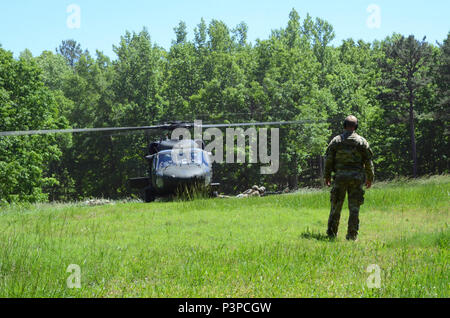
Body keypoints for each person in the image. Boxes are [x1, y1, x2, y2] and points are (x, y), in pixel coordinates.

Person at [324, 115, 374, 241]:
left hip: (340, 177)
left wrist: (327, 176)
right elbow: (368, 161)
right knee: (354, 208)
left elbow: (328, 160)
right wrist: (370, 177)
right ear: (355, 126)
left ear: (344, 125)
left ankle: (331, 234)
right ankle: (352, 236)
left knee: (336, 207)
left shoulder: (336, 141)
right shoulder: (362, 141)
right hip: (356, 179)